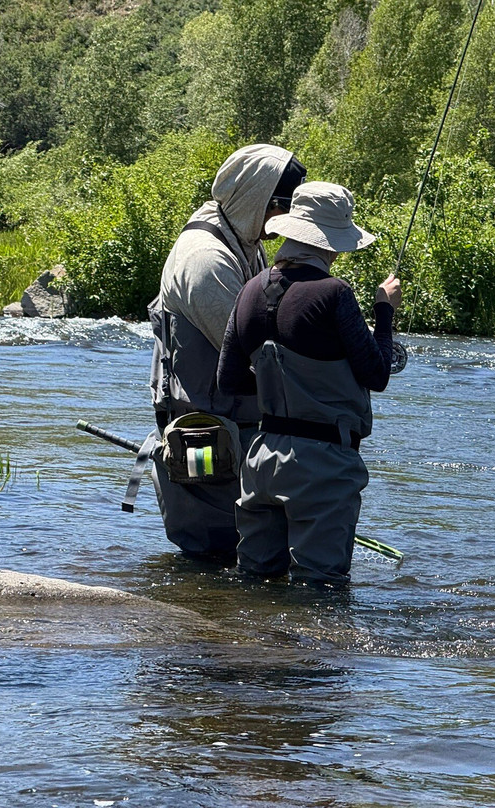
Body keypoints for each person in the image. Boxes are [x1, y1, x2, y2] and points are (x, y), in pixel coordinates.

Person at [216, 181, 401, 586]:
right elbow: (377, 374)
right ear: (330, 243)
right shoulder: (334, 293)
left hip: (261, 459)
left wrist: (282, 385)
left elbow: (228, 381)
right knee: (320, 591)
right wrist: (384, 312)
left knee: (255, 584)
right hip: (323, 464)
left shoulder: (248, 291)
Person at [149, 144, 308, 560]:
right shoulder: (206, 261)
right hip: (206, 437)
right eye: (283, 207)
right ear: (257, 199)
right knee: (214, 559)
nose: (288, 220)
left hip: (230, 431)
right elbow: (250, 351)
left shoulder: (242, 235)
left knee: (244, 563)